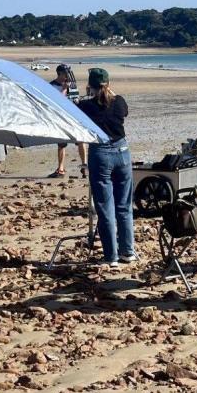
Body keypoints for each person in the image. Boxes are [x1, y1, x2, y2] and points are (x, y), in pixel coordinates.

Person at [77, 68, 135, 267]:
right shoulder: (119, 101)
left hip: (101, 153)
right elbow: (123, 112)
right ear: (108, 83)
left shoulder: (86, 106)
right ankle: (128, 251)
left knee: (105, 207)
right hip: (122, 151)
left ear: (90, 86)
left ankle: (111, 256)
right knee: (124, 206)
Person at [50, 65, 87, 178]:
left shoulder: (73, 85)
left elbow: (76, 100)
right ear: (60, 73)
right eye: (66, 73)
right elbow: (56, 102)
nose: (68, 76)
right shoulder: (52, 85)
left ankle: (84, 166)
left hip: (75, 118)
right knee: (61, 144)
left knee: (81, 141)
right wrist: (65, 89)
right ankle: (61, 168)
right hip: (61, 118)